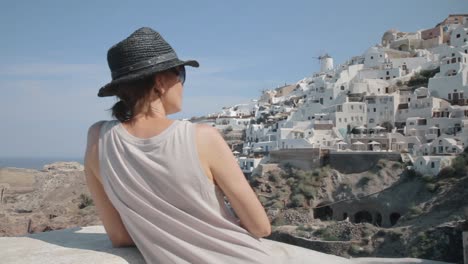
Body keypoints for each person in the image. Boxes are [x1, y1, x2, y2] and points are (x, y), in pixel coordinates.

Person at [84, 27, 441, 264]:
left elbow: (118, 236)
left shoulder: (97, 138)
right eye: (181, 75)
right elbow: (260, 227)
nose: (183, 84)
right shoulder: (200, 136)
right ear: (161, 81)